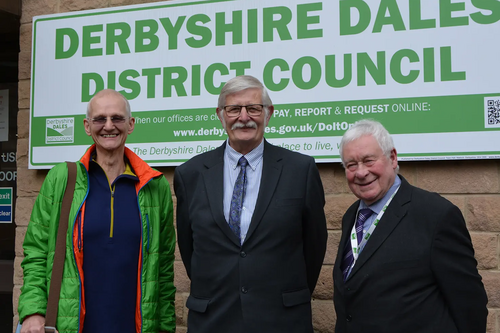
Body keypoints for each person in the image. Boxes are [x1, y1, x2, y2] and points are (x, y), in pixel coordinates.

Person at [174, 75, 328, 333]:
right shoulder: (190, 174)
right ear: (220, 115)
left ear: (268, 113)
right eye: (234, 109)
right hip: (213, 319)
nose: (244, 117)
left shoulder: (300, 170)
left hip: (282, 320)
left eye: (253, 108)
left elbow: (314, 246)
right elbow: (190, 249)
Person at [18, 89, 176, 333]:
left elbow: (164, 270)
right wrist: (33, 312)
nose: (109, 126)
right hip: (71, 325)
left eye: (117, 118)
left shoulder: (154, 186)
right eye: (100, 119)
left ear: (131, 124)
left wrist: (165, 328)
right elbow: (36, 253)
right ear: (87, 126)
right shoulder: (62, 179)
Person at [333, 119, 488, 333]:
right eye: (351, 165)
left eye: (369, 161)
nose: (360, 172)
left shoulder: (436, 214)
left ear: (392, 158)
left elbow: (469, 304)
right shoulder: (352, 216)